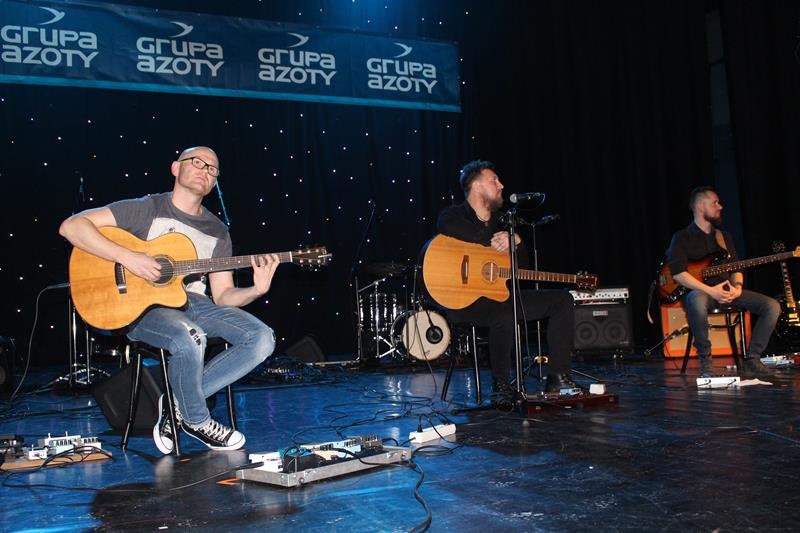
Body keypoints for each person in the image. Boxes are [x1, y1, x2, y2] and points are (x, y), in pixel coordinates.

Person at [59, 146, 277, 453]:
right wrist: (128, 257)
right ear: (175, 168)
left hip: (196, 304)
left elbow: (223, 295)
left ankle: (177, 404)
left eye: (212, 169)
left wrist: (256, 290)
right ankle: (197, 419)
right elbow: (71, 226)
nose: (205, 170)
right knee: (191, 336)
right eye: (197, 162)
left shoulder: (217, 231)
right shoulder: (147, 208)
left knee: (262, 338)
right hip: (144, 307)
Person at [436, 160, 577, 395]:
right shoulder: (453, 215)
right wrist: (491, 241)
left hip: (500, 297)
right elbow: (450, 228)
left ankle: (558, 377)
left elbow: (522, 267)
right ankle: (501, 386)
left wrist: (516, 242)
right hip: (464, 302)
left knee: (563, 300)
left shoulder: (504, 221)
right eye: (494, 180)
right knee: (504, 312)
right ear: (477, 185)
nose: (501, 185)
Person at [664, 186, 779, 378]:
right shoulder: (682, 237)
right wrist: (711, 291)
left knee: (772, 306)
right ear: (701, 206)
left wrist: (737, 287)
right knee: (696, 299)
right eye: (715, 203)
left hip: (727, 291)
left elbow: (736, 268)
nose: (720, 206)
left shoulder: (724, 237)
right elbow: (678, 274)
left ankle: (752, 359)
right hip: (701, 293)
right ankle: (706, 361)